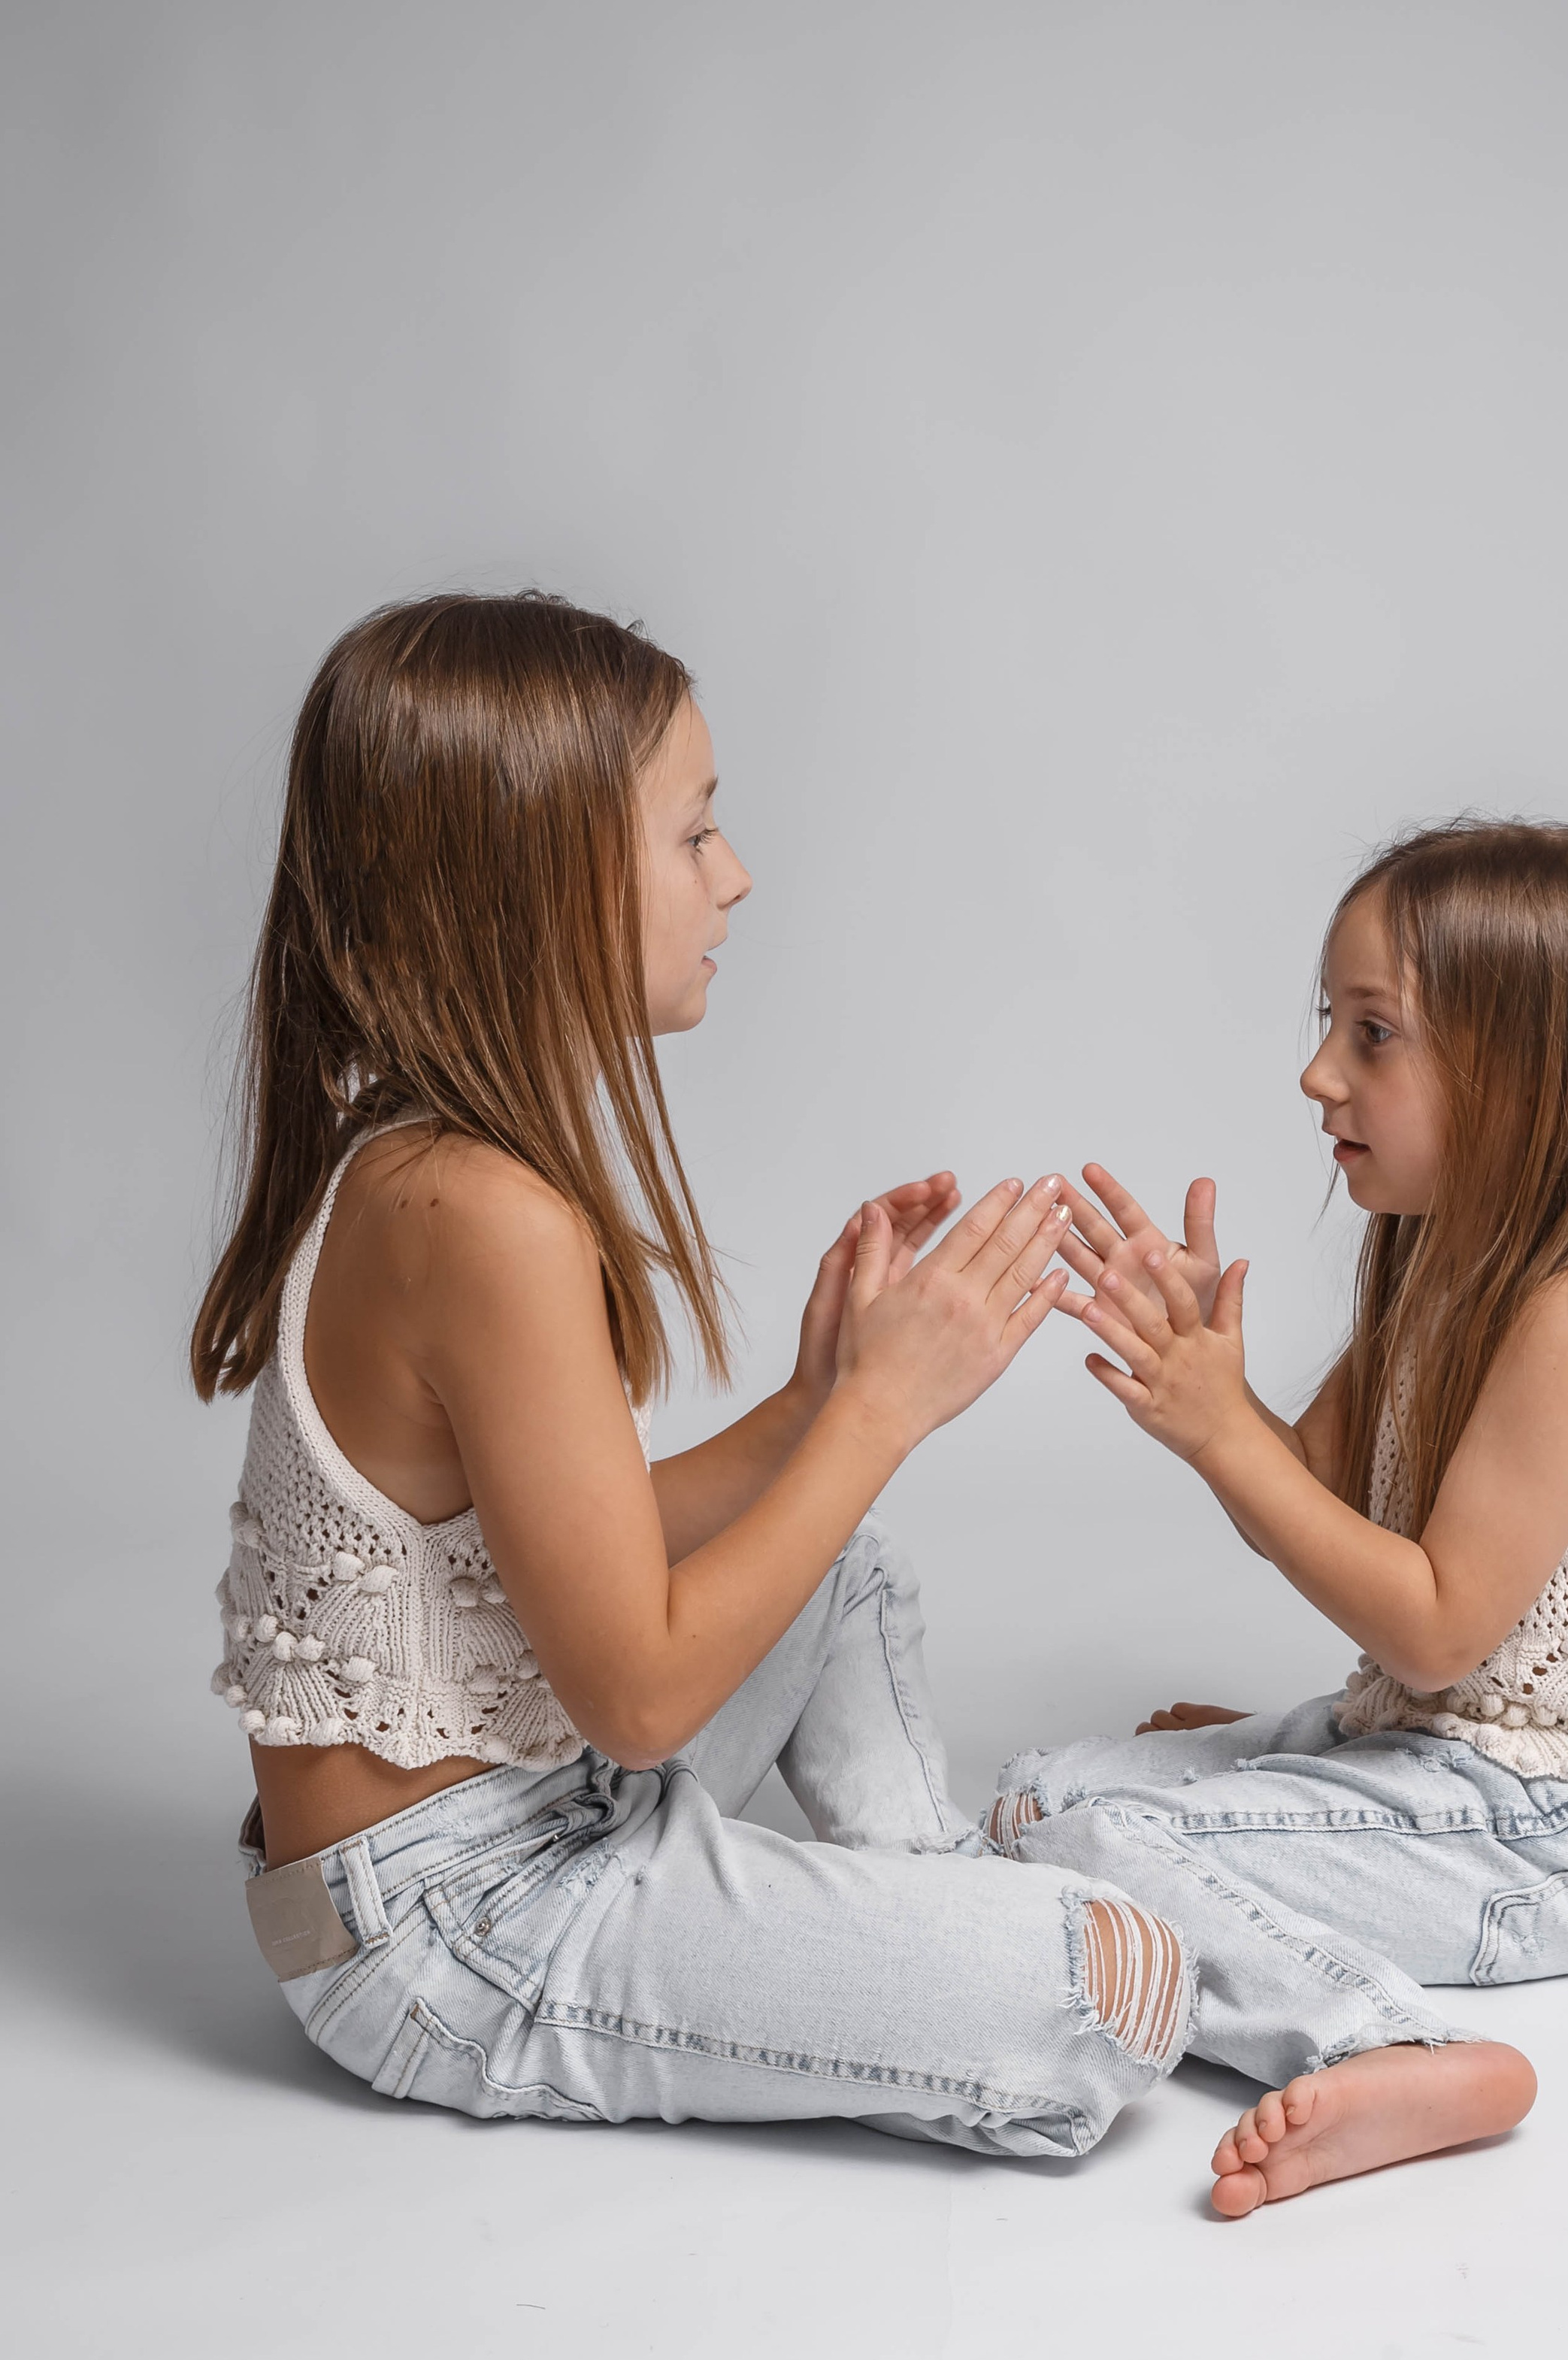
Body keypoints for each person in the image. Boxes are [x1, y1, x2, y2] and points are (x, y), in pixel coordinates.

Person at [192, 591, 1189, 2156]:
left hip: (515, 1814)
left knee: (836, 1575)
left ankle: (912, 1908)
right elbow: (642, 1697)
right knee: (1104, 1989)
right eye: (692, 837)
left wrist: (808, 1405)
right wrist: (880, 1412)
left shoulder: (427, 1161)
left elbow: (563, 1545)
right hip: (448, 1928)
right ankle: (938, 1958)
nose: (734, 878)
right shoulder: (478, 1213)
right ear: (536, 881)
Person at [986, 820, 1568, 2216]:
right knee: (1041, 1797)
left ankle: (1403, 2048)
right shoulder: (1425, 1247)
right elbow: (1305, 1499)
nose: (1318, 1075)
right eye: (1328, 1025)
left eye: (1374, 1035)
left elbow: (1431, 1629)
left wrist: (1228, 1438)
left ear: (1564, 1082)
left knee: (1102, 1852)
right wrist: (1215, 1402)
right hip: (1450, 1751)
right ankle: (1302, 1828)